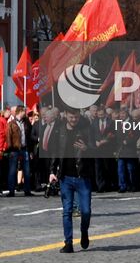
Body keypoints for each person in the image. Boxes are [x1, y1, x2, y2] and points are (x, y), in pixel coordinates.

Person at [48, 105, 93, 255]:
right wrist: (52, 172)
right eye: (71, 117)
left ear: (79, 116)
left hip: (83, 176)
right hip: (65, 178)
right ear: (66, 115)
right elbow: (55, 152)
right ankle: (68, 243)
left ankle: (84, 231)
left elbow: (96, 149)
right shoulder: (59, 130)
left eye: (76, 117)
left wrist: (87, 149)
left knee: (85, 211)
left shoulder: (86, 129)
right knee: (67, 212)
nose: (74, 120)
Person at [6, 106, 32, 197]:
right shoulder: (11, 123)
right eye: (24, 111)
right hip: (14, 149)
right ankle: (11, 191)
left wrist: (30, 149)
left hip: (25, 148)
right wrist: (9, 148)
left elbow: (29, 136)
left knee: (27, 171)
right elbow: (8, 137)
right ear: (20, 112)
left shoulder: (26, 122)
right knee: (12, 171)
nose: (25, 113)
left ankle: (27, 190)